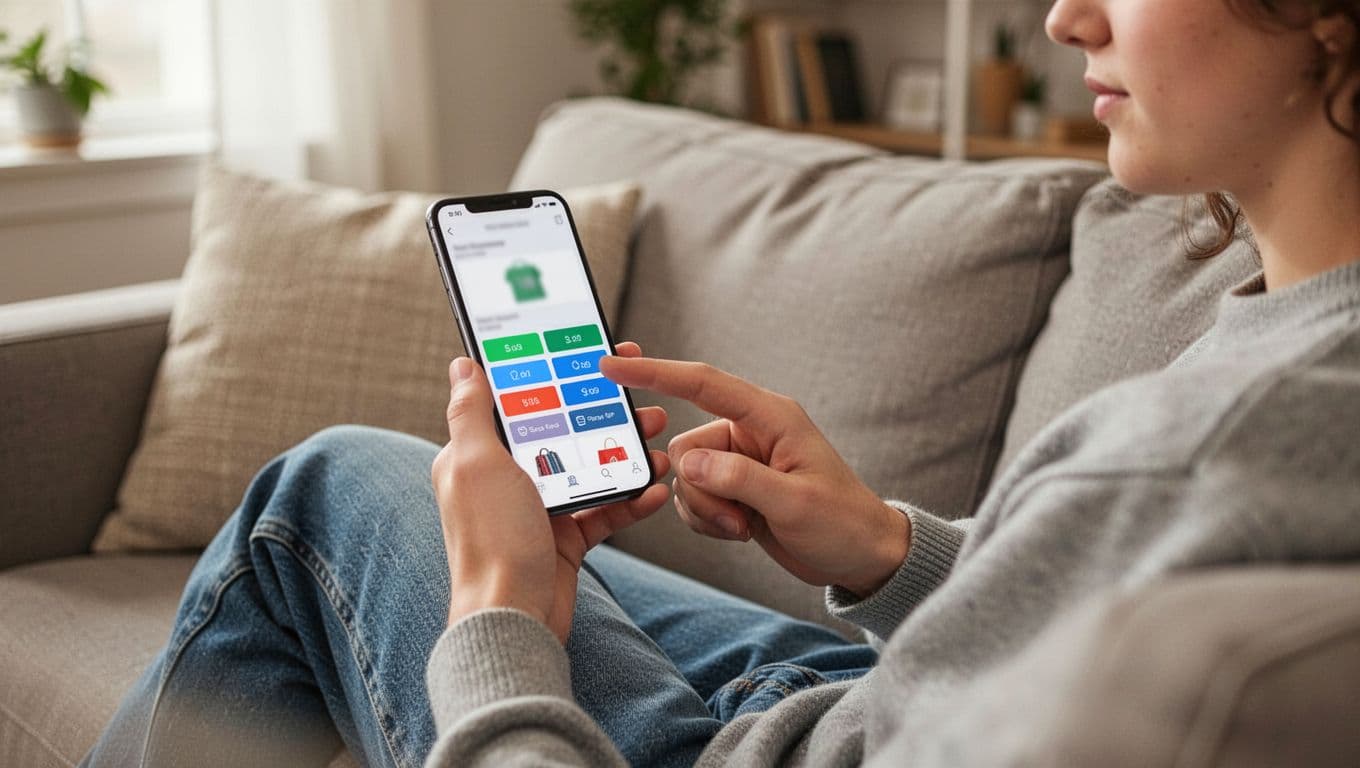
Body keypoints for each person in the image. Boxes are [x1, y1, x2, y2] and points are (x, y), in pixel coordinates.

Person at [84, 0, 1360, 765]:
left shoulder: (1223, 433)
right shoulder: (1292, 338)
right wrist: (879, 546)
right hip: (855, 703)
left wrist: (498, 612)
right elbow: (1083, 620)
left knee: (322, 490)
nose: (1062, 18)